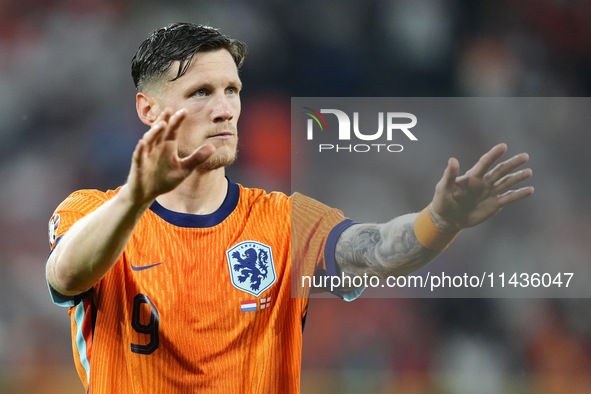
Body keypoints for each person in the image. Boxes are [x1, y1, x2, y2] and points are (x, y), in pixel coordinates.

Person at [45, 23, 534, 393]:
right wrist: (136, 196)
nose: (225, 109)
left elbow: (376, 249)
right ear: (148, 110)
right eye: (201, 92)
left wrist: (441, 220)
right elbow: (66, 276)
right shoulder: (92, 212)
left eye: (232, 90)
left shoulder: (283, 221)